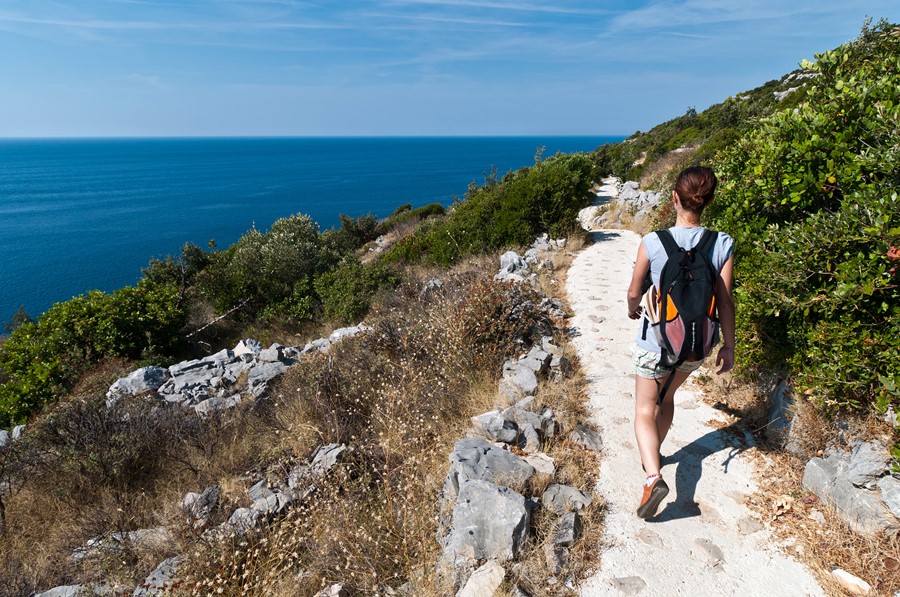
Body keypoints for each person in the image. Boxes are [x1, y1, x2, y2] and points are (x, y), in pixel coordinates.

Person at [625, 166, 735, 519]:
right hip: (695, 345)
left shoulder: (653, 242)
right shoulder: (722, 243)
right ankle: (656, 453)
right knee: (667, 397)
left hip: (655, 341)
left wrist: (632, 309)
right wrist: (728, 346)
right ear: (709, 201)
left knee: (644, 408)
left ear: (675, 197)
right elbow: (725, 300)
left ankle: (653, 475)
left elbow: (633, 291)